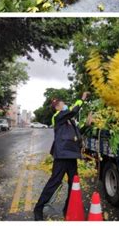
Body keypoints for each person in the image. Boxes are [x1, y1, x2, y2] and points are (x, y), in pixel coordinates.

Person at [34, 92, 89, 221]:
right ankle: (38, 208)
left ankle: (67, 208)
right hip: (62, 155)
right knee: (54, 182)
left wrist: (87, 125)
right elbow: (73, 111)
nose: (64, 105)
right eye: (62, 104)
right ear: (57, 108)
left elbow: (78, 134)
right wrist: (82, 99)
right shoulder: (58, 117)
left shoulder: (69, 120)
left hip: (72, 156)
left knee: (73, 184)